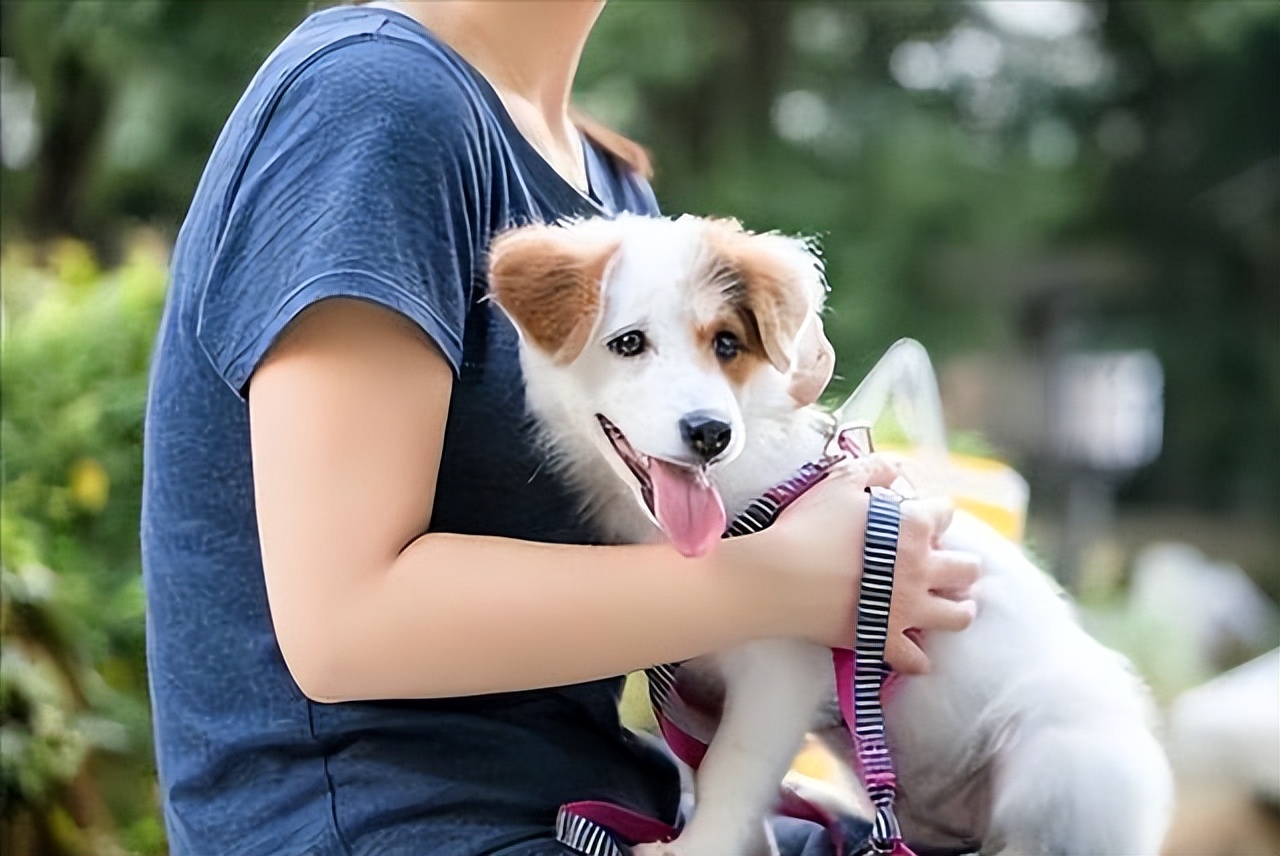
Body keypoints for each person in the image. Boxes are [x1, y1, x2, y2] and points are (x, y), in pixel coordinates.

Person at [140, 2, 978, 854]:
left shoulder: (609, 187)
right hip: (397, 827)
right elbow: (344, 624)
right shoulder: (375, 102)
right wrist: (789, 579)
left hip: (595, 804)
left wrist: (807, 498)